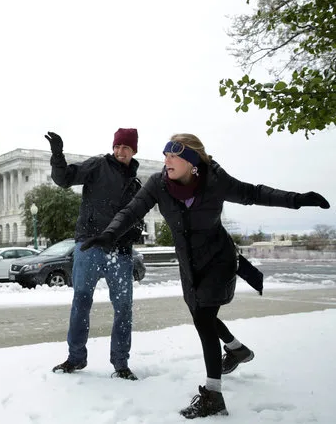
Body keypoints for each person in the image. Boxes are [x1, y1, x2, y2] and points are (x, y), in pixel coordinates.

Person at [80, 133, 330, 418]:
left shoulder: (214, 179)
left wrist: (297, 200)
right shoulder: (158, 184)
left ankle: (213, 395)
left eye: (174, 156)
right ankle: (236, 350)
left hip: (219, 259)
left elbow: (254, 193)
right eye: (165, 155)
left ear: (192, 161)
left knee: (203, 318)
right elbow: (131, 211)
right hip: (189, 264)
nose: (167, 161)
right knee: (202, 314)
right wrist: (110, 233)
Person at [47, 128, 145, 380]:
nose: (120, 151)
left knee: (124, 309)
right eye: (117, 146)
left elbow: (135, 217)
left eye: (126, 147)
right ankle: (76, 357)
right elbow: (64, 179)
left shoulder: (136, 184)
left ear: (134, 150)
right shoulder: (98, 165)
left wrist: (134, 234)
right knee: (81, 303)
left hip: (120, 252)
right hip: (89, 247)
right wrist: (57, 154)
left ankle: (121, 363)